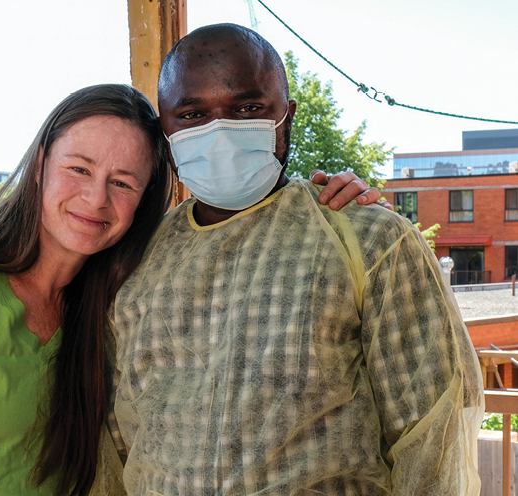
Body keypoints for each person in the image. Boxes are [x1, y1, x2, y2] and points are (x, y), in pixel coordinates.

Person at [0, 83, 379, 496]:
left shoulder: (125, 298)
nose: (96, 199)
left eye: (123, 182)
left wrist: (333, 204)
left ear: (145, 197)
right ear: (39, 167)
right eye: (79, 169)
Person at [110, 24, 484, 495]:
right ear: (164, 129)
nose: (219, 131)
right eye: (192, 113)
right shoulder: (136, 261)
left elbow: (433, 430)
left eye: (247, 108)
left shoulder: (367, 238)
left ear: (284, 117)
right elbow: (118, 433)